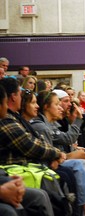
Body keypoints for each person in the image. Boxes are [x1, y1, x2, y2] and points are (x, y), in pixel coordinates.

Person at [0, 79, 57, 216]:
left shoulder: (17, 119)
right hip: (18, 168)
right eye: (33, 102)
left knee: (75, 168)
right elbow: (31, 146)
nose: (36, 106)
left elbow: (36, 142)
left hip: (15, 171)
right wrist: (57, 154)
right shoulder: (7, 121)